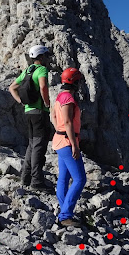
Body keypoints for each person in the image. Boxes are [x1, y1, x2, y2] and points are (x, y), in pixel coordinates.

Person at [9, 44, 52, 191]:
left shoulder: (27, 71)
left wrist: (21, 101)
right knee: (39, 146)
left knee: (32, 145)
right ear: (41, 57)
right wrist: (47, 103)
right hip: (40, 112)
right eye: (47, 55)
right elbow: (43, 86)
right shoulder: (41, 70)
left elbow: (12, 87)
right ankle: (36, 181)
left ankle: (25, 178)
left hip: (28, 112)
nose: (48, 58)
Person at [51, 67, 86, 227]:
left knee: (64, 178)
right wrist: (74, 145)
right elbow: (68, 123)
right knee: (80, 179)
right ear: (75, 82)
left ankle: (64, 211)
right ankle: (65, 216)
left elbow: (53, 116)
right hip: (67, 142)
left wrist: (58, 130)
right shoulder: (68, 99)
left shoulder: (60, 96)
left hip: (59, 140)